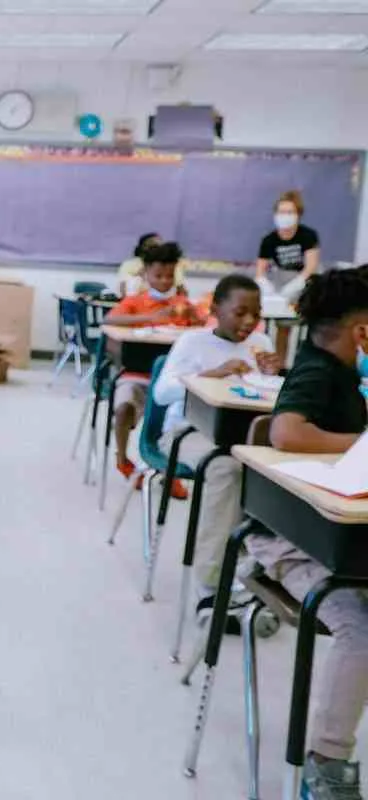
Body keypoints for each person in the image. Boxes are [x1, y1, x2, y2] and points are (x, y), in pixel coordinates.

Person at [245, 267, 368, 800]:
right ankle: (328, 762)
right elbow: (286, 432)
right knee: (361, 631)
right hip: (289, 539)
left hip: (338, 537)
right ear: (361, 332)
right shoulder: (317, 372)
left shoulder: (347, 375)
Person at [152, 274, 278, 627]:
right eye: (240, 313)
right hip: (188, 432)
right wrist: (214, 374)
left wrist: (272, 377)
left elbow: (266, 398)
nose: (249, 322)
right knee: (226, 469)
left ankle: (254, 574)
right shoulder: (192, 342)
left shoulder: (261, 342)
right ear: (215, 310)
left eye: (256, 314)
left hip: (241, 436)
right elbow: (162, 394)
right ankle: (211, 586)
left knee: (275, 472)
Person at [104, 242, 200, 495]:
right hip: (137, 373)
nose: (164, 282)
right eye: (158, 276)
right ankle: (122, 459)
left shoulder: (181, 303)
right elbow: (110, 319)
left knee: (180, 418)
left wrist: (194, 317)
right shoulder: (136, 301)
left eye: (170, 276)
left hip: (173, 380)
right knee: (123, 406)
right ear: (145, 274)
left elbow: (205, 328)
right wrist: (150, 318)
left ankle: (169, 469)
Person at [256, 189, 321, 354]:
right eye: (281, 212)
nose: (285, 216)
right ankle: (278, 364)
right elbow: (260, 271)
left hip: (305, 284)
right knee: (282, 327)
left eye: (290, 212)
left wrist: (297, 284)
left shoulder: (308, 236)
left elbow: (311, 266)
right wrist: (265, 286)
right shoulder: (269, 240)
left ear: (298, 215)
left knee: (309, 328)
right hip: (282, 283)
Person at [116, 232, 187, 297]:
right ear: (142, 248)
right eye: (152, 246)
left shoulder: (171, 266)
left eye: (159, 246)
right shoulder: (129, 265)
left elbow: (182, 291)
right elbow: (123, 291)